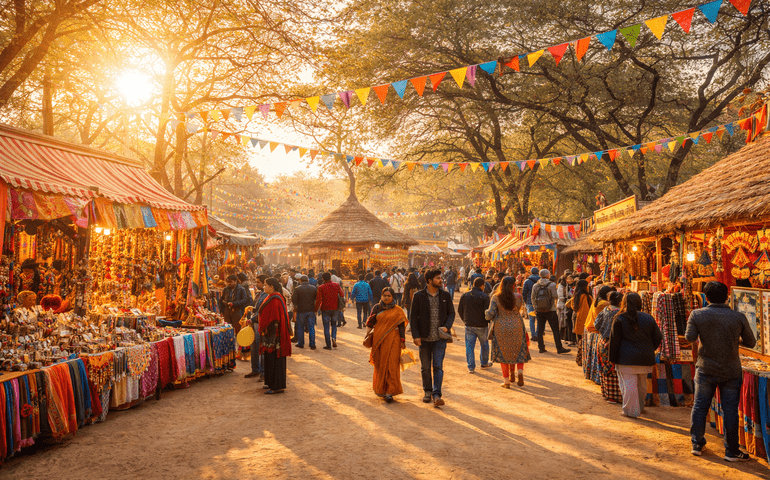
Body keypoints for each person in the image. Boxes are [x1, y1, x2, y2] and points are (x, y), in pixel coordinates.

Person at [686, 281, 756, 461]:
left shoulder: (697, 314)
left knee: (700, 406)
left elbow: (690, 338)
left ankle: (697, 443)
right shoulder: (738, 317)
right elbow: (751, 343)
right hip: (730, 370)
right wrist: (734, 341)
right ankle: (731, 450)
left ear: (706, 297)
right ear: (727, 297)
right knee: (730, 410)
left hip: (705, 368)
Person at [613, 292, 662, 418]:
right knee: (641, 385)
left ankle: (631, 411)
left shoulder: (619, 318)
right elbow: (658, 336)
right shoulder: (648, 318)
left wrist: (613, 358)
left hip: (625, 359)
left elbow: (614, 341)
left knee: (628, 385)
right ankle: (639, 408)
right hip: (645, 358)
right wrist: (650, 349)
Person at [410, 268, 455, 407]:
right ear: (429, 280)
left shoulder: (445, 296)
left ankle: (437, 394)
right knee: (425, 367)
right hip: (424, 338)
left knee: (437, 366)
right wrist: (415, 335)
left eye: (440, 278)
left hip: (440, 338)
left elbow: (451, 313)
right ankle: (427, 391)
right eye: (437, 278)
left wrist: (447, 326)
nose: (441, 280)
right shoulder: (418, 296)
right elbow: (413, 318)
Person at [486, 276, 530, 387]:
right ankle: (519, 372)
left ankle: (506, 381)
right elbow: (518, 309)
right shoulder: (519, 297)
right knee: (518, 349)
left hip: (501, 326)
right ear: (513, 285)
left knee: (504, 352)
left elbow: (490, 314)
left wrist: (486, 313)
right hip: (517, 325)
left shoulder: (496, 297)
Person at [366, 287, 408, 403]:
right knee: (380, 365)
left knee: (392, 365)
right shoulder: (377, 308)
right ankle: (381, 389)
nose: (386, 297)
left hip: (394, 339)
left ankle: (390, 392)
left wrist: (402, 340)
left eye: (389, 296)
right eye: (384, 295)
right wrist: (367, 334)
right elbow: (370, 322)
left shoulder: (398, 310)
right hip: (379, 340)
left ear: (393, 297)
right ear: (381, 296)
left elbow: (401, 326)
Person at [258, 277, 293, 394]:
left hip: (274, 337)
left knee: (275, 360)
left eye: (265, 285)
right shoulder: (272, 297)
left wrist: (265, 328)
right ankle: (271, 383)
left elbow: (274, 318)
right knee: (270, 360)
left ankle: (277, 386)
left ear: (271, 287)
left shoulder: (275, 300)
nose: (264, 287)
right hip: (271, 336)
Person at [531, 269, 571, 355]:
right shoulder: (552, 284)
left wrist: (536, 307)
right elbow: (555, 296)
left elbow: (532, 297)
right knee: (555, 329)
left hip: (539, 310)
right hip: (551, 310)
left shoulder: (535, 285)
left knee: (540, 329)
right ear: (548, 275)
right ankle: (559, 348)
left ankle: (541, 347)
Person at [458, 277, 491, 373]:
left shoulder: (465, 295)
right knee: (484, 345)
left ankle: (471, 367)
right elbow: (487, 313)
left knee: (469, 346)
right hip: (482, 325)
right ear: (481, 285)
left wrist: (465, 320)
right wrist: (487, 322)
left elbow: (460, 310)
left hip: (469, 325)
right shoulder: (485, 297)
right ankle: (484, 362)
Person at [594, 291, 622, 404]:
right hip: (615, 343)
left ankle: (608, 394)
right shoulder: (620, 313)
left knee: (605, 368)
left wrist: (603, 330)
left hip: (603, 342)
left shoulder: (605, 310)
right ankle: (618, 395)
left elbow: (596, 324)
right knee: (615, 369)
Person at [583, 285, 614, 385]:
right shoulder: (604, 304)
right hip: (598, 332)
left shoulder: (597, 300)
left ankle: (593, 375)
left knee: (594, 356)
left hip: (592, 331)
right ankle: (598, 377)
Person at [246, 275, 269, 381]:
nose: (256, 284)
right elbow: (257, 309)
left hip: (260, 323)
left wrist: (252, 318)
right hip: (255, 323)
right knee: (254, 347)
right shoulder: (261, 294)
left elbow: (261, 310)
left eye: (259, 282)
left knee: (260, 348)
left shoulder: (266, 295)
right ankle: (256, 369)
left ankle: (263, 372)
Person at [315, 272, 344, 350]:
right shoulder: (336, 285)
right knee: (334, 324)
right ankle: (334, 337)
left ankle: (328, 344)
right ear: (330, 278)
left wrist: (316, 309)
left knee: (326, 327)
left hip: (325, 309)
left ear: (323, 279)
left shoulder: (321, 287)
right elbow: (342, 294)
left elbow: (318, 300)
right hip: (335, 308)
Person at [292, 275, 317, 349]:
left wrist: (295, 309)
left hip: (301, 310)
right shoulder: (313, 288)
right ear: (308, 280)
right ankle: (312, 344)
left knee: (300, 327)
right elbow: (316, 300)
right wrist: (315, 309)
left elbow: (294, 300)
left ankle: (301, 343)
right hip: (311, 310)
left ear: (300, 281)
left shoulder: (297, 289)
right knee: (311, 327)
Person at [567, 279, 591, 346]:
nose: (588, 287)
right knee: (583, 335)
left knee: (579, 335)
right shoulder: (586, 297)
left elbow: (572, 306)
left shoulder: (575, 296)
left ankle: (579, 348)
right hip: (583, 317)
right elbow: (586, 309)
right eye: (587, 286)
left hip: (575, 315)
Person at [521, 267, 540, 342]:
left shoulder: (527, 281)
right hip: (539, 302)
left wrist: (525, 301)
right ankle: (538, 334)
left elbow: (524, 292)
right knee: (539, 319)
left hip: (529, 301)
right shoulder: (541, 281)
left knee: (531, 319)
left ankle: (533, 335)